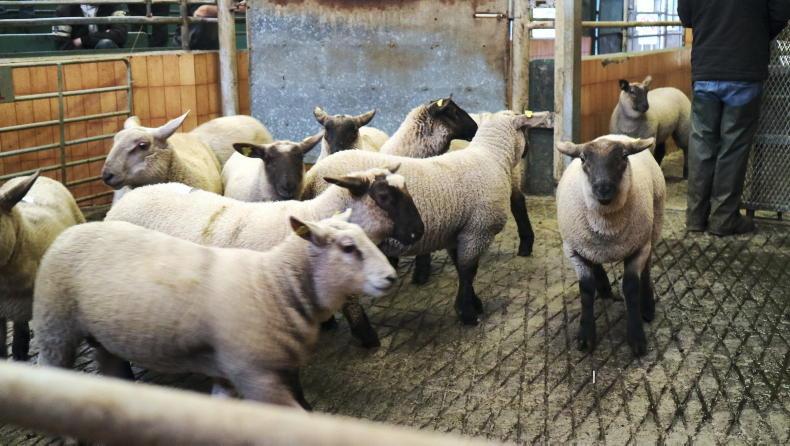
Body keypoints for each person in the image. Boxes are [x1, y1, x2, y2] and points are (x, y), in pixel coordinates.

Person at [678, 0, 789, 236]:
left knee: (701, 144)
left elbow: (685, 16)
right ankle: (723, 219)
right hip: (745, 67)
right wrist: (755, 31)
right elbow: (781, 11)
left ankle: (695, 217)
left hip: (706, 67)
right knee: (733, 146)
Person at [53, 3, 128, 50]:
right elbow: (62, 46)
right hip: (78, 59)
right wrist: (105, 34)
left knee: (106, 44)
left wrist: (83, 40)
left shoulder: (115, 4)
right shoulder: (65, 9)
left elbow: (120, 35)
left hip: (109, 57)